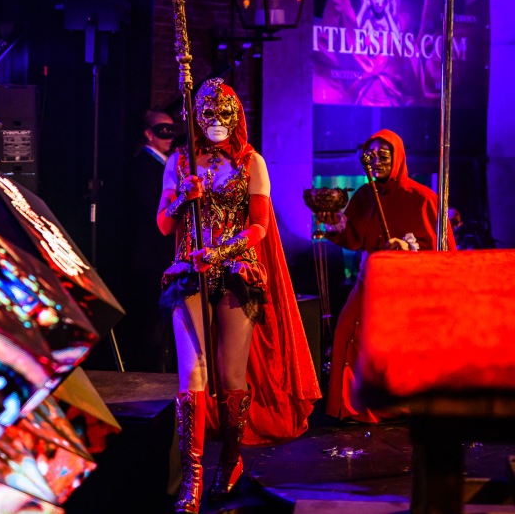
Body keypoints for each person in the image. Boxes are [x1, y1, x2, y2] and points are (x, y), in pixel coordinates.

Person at [157, 78, 321, 513]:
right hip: (189, 272)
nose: (216, 121)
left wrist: (221, 251)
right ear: (196, 116)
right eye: (208, 113)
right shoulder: (179, 161)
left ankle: (230, 460)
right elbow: (164, 224)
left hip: (235, 271)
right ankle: (192, 475)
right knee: (192, 373)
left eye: (224, 113)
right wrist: (182, 199)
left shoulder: (252, 162)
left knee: (231, 375)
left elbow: (260, 226)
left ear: (236, 116)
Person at [317, 129, 456, 423]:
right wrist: (333, 224)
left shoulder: (423, 198)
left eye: (383, 155)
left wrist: (407, 248)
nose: (377, 162)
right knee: (347, 330)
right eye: (371, 156)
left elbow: (443, 252)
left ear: (398, 157)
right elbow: (352, 237)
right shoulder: (364, 194)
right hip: (371, 277)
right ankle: (351, 404)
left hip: (408, 286)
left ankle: (404, 403)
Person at [119, 109, 178, 373]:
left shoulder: (165, 166)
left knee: (161, 322)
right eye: (161, 130)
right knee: (150, 322)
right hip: (149, 257)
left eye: (171, 130)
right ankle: (147, 374)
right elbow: (149, 211)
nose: (168, 136)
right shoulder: (142, 167)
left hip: (159, 254)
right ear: (148, 134)